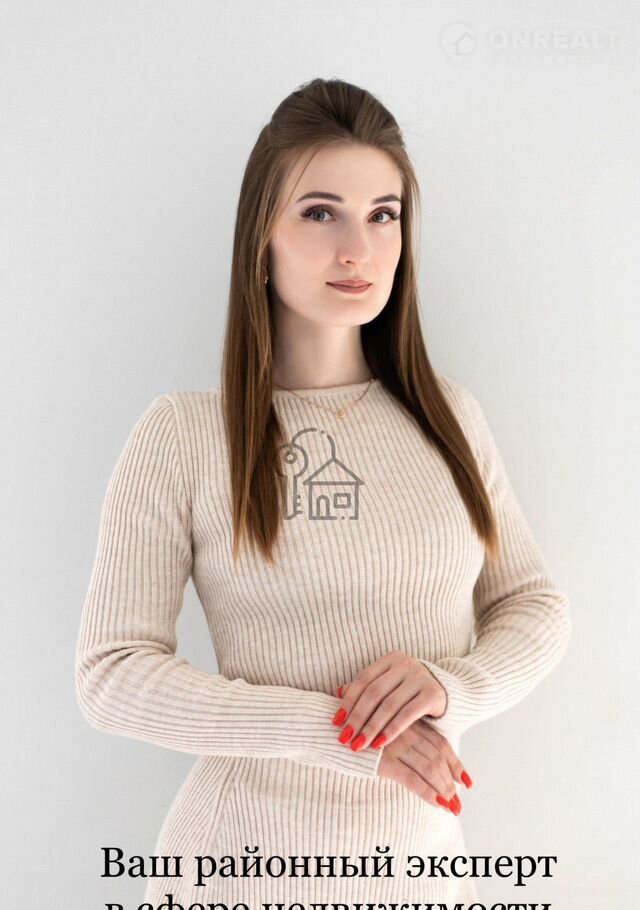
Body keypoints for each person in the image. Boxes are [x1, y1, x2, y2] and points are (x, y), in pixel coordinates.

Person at [75, 77, 571, 906]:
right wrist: (337, 733)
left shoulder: (448, 418)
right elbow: (113, 676)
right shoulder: (186, 436)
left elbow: (533, 604)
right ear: (260, 236)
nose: (358, 249)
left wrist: (452, 686)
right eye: (320, 213)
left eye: (383, 215)